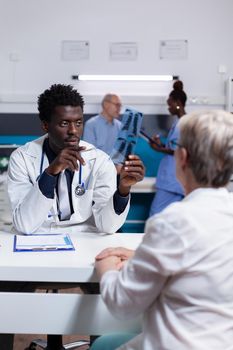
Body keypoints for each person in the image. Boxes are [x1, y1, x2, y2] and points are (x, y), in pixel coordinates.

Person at [2, 84, 145, 350]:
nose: (73, 132)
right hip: (36, 240)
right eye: (64, 123)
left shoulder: (98, 160)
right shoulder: (23, 158)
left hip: (84, 242)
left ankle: (101, 344)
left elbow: (107, 225)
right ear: (46, 125)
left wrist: (122, 188)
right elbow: (24, 224)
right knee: (5, 293)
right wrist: (51, 173)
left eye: (78, 123)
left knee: (106, 288)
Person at [91, 110, 233, 350]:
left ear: (183, 158)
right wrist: (142, 256)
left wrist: (106, 267)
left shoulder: (173, 222)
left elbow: (122, 303)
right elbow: (206, 262)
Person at [149, 80, 186, 216]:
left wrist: (159, 149)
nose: (168, 108)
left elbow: (180, 151)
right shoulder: (178, 122)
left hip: (172, 182)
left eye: (170, 105)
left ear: (177, 103)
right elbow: (174, 147)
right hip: (172, 181)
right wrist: (160, 145)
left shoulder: (184, 123)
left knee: (155, 215)